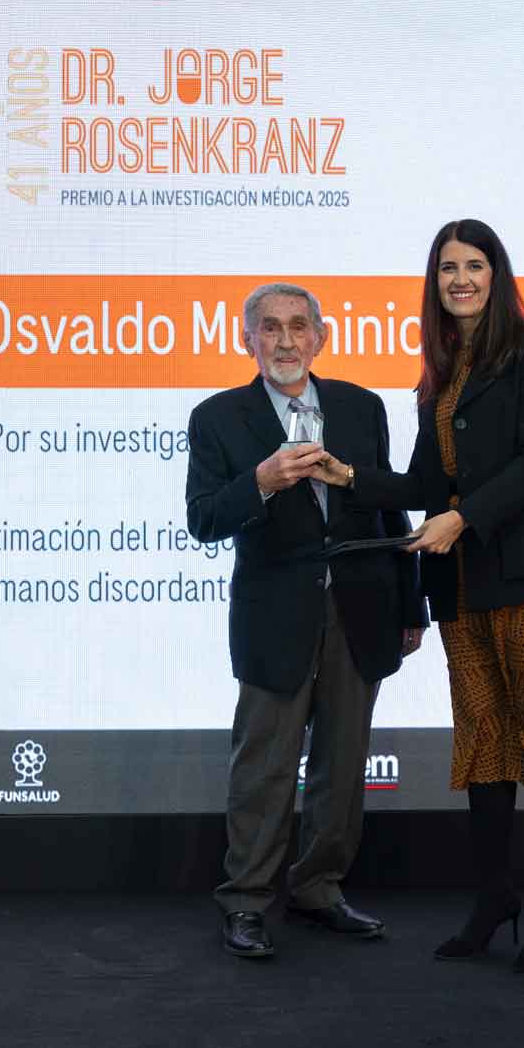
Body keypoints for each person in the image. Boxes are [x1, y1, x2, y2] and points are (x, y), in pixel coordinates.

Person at [313, 219, 524, 971]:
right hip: (464, 587)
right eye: (448, 268)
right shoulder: (438, 376)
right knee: (484, 740)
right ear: (434, 283)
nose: (461, 279)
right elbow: (421, 484)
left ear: (496, 275)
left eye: (474, 265)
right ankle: (494, 896)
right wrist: (348, 475)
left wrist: (463, 517)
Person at [186, 282, 425, 960]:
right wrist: (261, 480)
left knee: (342, 764)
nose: (285, 340)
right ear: (247, 340)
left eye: (298, 326)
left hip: (362, 607)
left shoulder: (360, 406)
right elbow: (203, 518)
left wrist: (411, 605)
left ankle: (318, 888)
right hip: (273, 617)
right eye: (270, 327)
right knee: (264, 767)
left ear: (321, 337)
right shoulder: (217, 417)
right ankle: (246, 901)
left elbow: (389, 509)